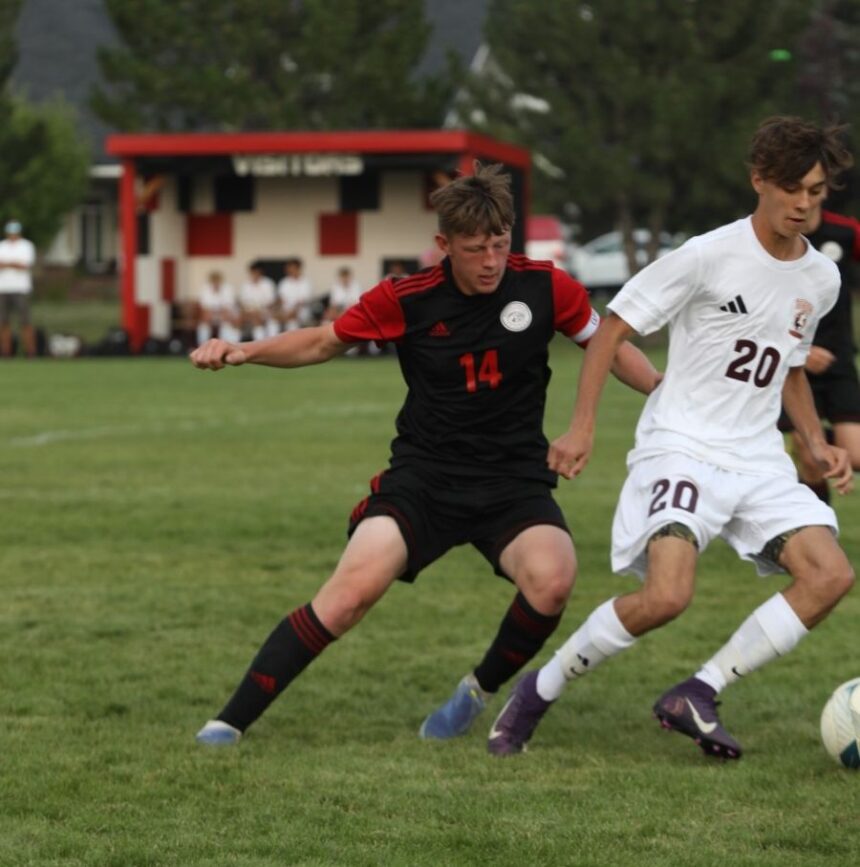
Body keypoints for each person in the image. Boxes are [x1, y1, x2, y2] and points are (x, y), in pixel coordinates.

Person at [189, 162, 661, 746]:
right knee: (348, 597)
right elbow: (320, 342)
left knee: (554, 578)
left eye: (500, 244)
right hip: (424, 479)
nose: (491, 261)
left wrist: (662, 391)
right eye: (475, 249)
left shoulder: (545, 286)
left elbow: (608, 346)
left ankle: (475, 692)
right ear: (444, 245)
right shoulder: (407, 298)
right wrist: (245, 349)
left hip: (513, 481)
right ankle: (228, 722)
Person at [488, 116, 856, 760]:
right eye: (792, 188)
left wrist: (815, 442)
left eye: (816, 191)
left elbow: (790, 367)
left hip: (757, 457)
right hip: (682, 445)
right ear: (759, 181)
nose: (804, 203)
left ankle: (700, 691)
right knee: (667, 596)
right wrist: (582, 426)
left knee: (830, 575)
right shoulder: (707, 255)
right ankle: (538, 690)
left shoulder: (821, 279)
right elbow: (611, 330)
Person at [778, 205, 860, 502]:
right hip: (791, 359)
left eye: (813, 190)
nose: (803, 200)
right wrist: (801, 351)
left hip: (838, 360)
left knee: (855, 455)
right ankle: (817, 522)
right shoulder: (776, 236)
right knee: (809, 453)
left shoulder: (846, 232)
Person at [0, 220, 37, 358]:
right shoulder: (2, 246)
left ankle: (30, 352)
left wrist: (7, 264)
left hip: (21, 289)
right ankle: (5, 352)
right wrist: (15, 263)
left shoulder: (26, 246)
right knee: (3, 322)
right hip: (3, 288)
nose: (12, 235)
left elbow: (25, 265)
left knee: (25, 321)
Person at [196, 270, 240, 345]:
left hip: (225, 315)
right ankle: (203, 346)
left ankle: (228, 345)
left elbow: (228, 308)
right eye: (214, 281)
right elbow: (205, 309)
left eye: (217, 281)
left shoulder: (228, 289)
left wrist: (222, 314)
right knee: (203, 324)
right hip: (211, 315)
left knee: (228, 322)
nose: (216, 283)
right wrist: (211, 314)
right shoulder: (205, 289)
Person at [239, 262, 278, 340]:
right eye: (252, 272)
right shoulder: (246, 285)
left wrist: (261, 311)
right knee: (254, 320)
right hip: (251, 312)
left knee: (273, 322)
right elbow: (243, 303)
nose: (254, 275)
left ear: (260, 272)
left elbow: (271, 301)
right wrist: (252, 311)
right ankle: (260, 344)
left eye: (256, 272)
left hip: (266, 311)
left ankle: (272, 343)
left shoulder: (268, 283)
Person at [277, 257, 314, 331]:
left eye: (292, 268)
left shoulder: (306, 282)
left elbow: (303, 301)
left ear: (298, 268)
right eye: (289, 268)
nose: (290, 270)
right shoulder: (284, 282)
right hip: (286, 312)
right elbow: (280, 299)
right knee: (273, 322)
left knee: (292, 322)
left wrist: (293, 311)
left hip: (301, 312)